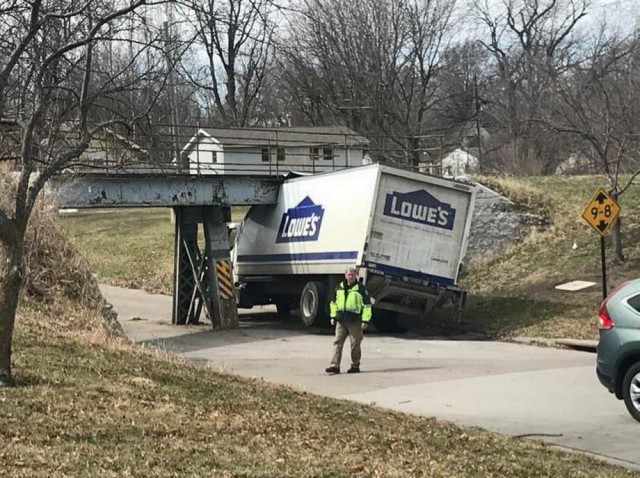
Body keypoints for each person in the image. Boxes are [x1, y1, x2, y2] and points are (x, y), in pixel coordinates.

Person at [325, 267, 372, 374]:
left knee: (355, 344)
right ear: (345, 275)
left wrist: (365, 320)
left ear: (356, 275)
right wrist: (333, 317)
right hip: (341, 320)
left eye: (352, 275)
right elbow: (333, 303)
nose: (350, 277)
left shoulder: (361, 289)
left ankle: (355, 365)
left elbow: (367, 306)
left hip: (355, 321)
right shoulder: (339, 288)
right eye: (348, 274)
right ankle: (334, 365)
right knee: (337, 342)